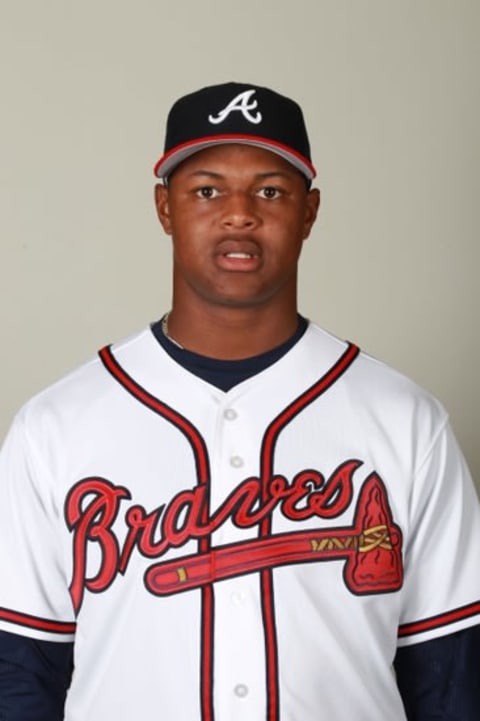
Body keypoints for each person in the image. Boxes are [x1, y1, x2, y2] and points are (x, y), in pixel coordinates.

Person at [0, 81, 479, 721]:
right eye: (206, 189)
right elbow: (20, 670)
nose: (238, 213)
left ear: (309, 213)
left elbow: (450, 674)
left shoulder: (405, 420)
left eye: (270, 190)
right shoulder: (57, 426)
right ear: (164, 208)